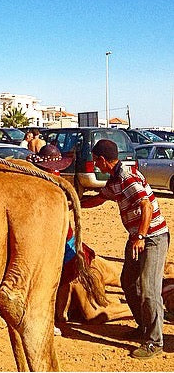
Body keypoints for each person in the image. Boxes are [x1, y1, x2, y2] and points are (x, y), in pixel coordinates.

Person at [82, 139, 169, 359]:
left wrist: (140, 235)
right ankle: (145, 326)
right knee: (129, 282)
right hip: (137, 238)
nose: (95, 165)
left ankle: (155, 341)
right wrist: (74, 201)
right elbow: (100, 199)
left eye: (95, 161)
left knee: (149, 289)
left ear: (102, 159)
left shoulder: (126, 178)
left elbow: (146, 206)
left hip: (152, 238)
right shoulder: (114, 180)